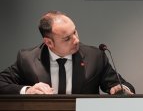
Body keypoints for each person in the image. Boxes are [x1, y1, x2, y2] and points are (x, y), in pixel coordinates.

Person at [0, 11, 135, 95]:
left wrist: (121, 89)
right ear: (49, 43)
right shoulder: (28, 59)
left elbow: (122, 86)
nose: (76, 40)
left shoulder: (95, 57)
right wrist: (28, 90)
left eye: (75, 32)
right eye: (67, 38)